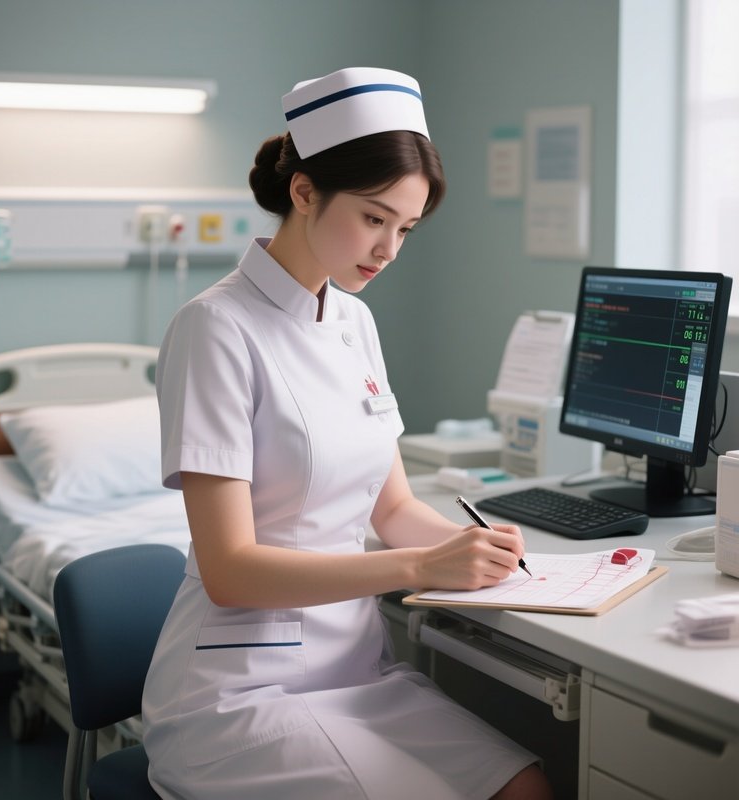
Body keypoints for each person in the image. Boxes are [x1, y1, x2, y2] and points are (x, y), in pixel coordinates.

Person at [142, 67, 553, 800]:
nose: (389, 249)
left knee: (525, 786)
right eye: (373, 218)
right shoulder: (215, 328)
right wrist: (421, 570)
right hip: (239, 691)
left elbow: (392, 509)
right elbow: (231, 570)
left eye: (406, 228)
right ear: (304, 192)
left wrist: (481, 554)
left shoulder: (355, 320)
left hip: (354, 671)